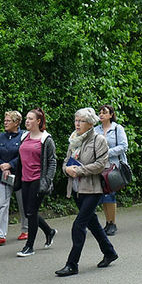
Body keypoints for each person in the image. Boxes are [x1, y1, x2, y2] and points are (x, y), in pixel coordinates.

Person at [56, 108, 117, 275]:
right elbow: (65, 162)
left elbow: (100, 164)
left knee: (79, 225)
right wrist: (66, 170)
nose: (77, 123)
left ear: (90, 124)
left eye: (81, 121)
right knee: (93, 224)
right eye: (76, 120)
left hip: (93, 189)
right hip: (77, 189)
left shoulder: (99, 140)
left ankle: (72, 264)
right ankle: (110, 252)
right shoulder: (74, 139)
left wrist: (80, 170)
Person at [14, 108, 57, 258]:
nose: (27, 121)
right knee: (28, 212)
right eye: (26, 118)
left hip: (38, 181)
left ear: (38, 121)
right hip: (25, 180)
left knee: (31, 212)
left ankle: (29, 246)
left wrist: (47, 181)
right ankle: (49, 231)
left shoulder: (46, 139)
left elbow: (52, 162)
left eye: (30, 118)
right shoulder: (24, 137)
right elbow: (21, 158)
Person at [0, 111, 28, 246]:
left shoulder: (24, 136)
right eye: (4, 120)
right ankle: (0, 235)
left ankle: (25, 230)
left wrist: (10, 165)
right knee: (3, 205)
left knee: (23, 204)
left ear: (16, 123)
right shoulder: (1, 136)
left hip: (19, 176)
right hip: (3, 177)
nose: (5, 123)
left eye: (8, 120)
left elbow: (24, 155)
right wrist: (2, 166)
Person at [94, 105, 128, 236]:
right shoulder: (95, 129)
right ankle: (107, 222)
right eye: (100, 112)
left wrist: (107, 152)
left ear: (111, 114)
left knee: (111, 194)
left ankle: (112, 223)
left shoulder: (117, 128)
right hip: (100, 166)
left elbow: (124, 146)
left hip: (113, 167)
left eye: (104, 112)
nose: (101, 115)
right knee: (103, 194)